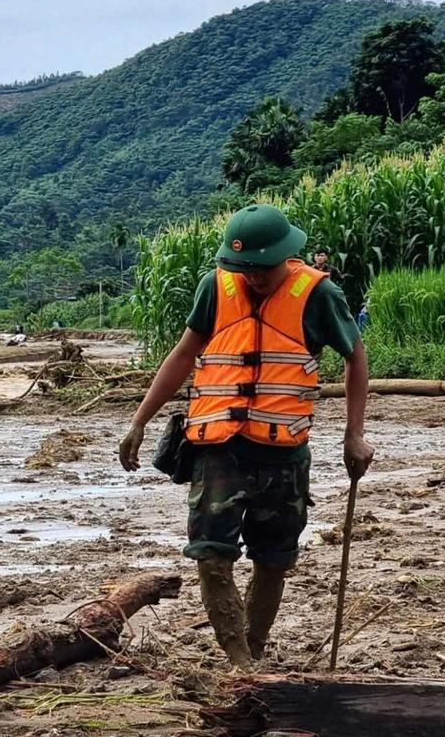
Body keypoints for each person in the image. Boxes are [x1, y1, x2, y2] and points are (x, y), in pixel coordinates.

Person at [118, 204, 374, 668]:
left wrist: (353, 436)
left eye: (259, 269)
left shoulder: (319, 295)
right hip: (218, 447)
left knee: (274, 558)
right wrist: (139, 420)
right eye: (242, 269)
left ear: (284, 257)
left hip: (283, 452)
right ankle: (239, 660)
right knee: (211, 554)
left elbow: (356, 357)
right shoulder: (215, 287)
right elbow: (183, 353)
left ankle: (254, 646)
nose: (251, 278)